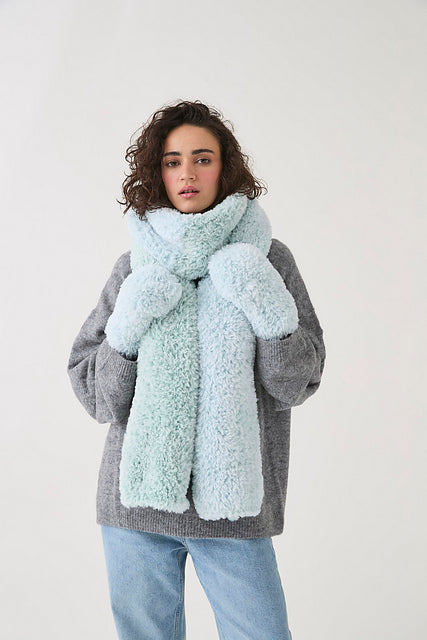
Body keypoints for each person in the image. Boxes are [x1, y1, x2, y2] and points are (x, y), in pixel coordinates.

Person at [67, 99, 326, 640]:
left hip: (235, 507)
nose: (187, 173)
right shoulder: (134, 266)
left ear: (224, 169)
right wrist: (128, 326)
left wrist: (264, 304)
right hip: (135, 507)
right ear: (157, 173)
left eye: (202, 159)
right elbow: (97, 396)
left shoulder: (267, 259)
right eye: (172, 161)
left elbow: (297, 383)